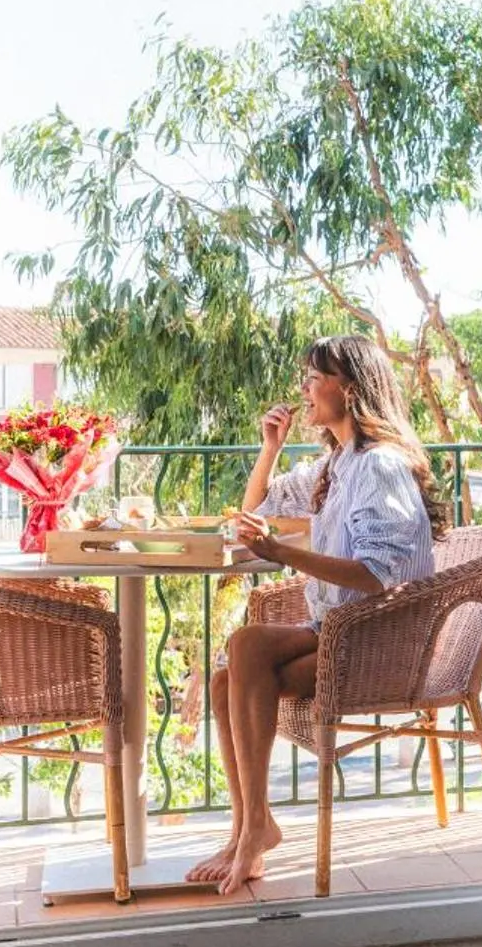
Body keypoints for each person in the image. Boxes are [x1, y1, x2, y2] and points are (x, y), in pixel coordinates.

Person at [186, 334, 449, 894]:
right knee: (225, 676)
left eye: (313, 378)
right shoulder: (337, 462)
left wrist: (282, 553)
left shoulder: (378, 465)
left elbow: (380, 572)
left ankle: (255, 828)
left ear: (349, 390)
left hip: (382, 637)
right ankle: (249, 825)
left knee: (247, 650)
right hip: (337, 629)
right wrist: (271, 447)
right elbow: (256, 509)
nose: (303, 388)